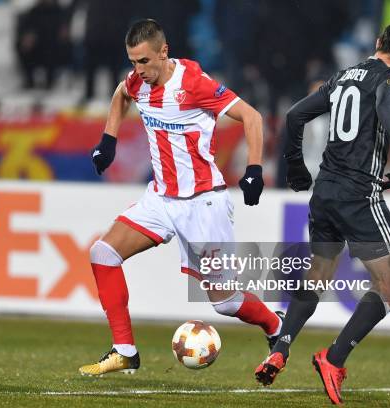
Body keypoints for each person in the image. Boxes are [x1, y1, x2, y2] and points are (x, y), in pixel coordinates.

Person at [79, 19, 282, 376]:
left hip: (202, 203)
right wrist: (108, 140)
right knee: (103, 252)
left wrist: (254, 169)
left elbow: (251, 116)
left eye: (144, 61)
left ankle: (277, 327)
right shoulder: (137, 83)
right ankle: (125, 350)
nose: (137, 70)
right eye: (132, 62)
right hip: (161, 198)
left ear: (163, 52)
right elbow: (121, 93)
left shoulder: (192, 84)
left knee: (226, 303)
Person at [254, 22, 390, 405]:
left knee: (319, 273)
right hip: (358, 194)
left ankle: (280, 346)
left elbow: (295, 116)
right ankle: (334, 358)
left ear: (378, 43)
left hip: (325, 190)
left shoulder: (343, 76)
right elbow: (383, 101)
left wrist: (295, 167)